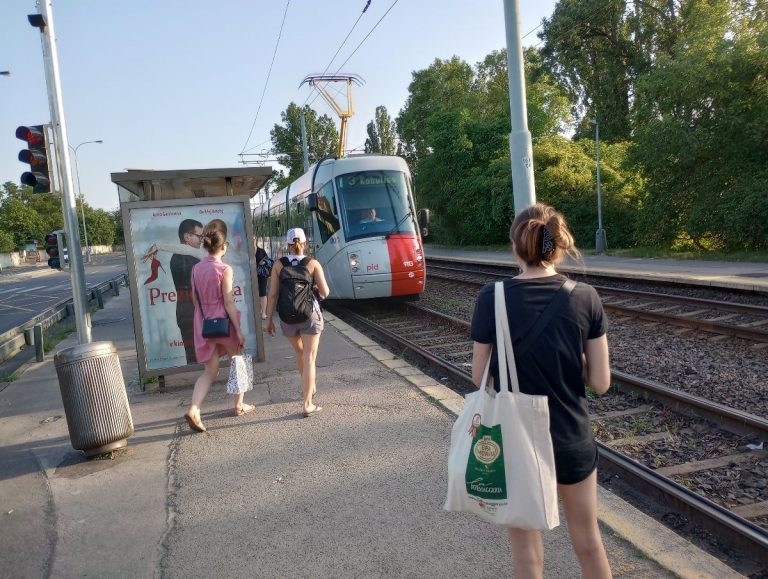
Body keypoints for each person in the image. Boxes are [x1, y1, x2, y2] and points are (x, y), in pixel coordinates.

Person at [469, 203, 612, 579]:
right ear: (559, 247)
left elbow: (479, 376)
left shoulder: (492, 297)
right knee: (589, 542)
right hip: (570, 438)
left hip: (517, 441)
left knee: (527, 556)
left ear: (515, 246)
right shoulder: (585, 297)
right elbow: (600, 382)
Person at [184, 223, 255, 432]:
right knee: (237, 363)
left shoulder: (196, 269)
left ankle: (194, 409)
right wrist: (238, 330)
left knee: (209, 371)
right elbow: (229, 301)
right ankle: (239, 405)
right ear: (223, 247)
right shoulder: (224, 269)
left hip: (204, 324)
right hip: (224, 323)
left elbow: (195, 300)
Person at [265, 227, 329, 418]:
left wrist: (269, 319)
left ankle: (309, 386)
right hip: (309, 316)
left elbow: (273, 294)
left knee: (300, 352)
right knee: (309, 357)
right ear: (305, 243)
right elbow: (325, 292)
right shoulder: (313, 263)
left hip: (287, 318)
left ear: (287, 244)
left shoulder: (278, 265)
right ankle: (307, 403)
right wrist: (314, 288)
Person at [254, 239, 271, 320]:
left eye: (254, 239)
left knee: (262, 292)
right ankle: (259, 309)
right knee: (254, 292)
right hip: (251, 275)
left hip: (262, 274)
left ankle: (264, 312)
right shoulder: (247, 250)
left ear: (256, 240)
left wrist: (264, 261)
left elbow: (268, 260)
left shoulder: (261, 250)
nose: (252, 240)